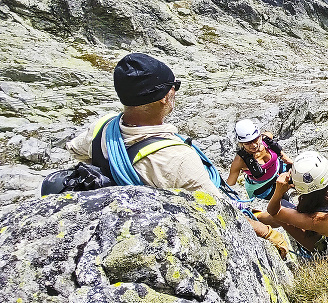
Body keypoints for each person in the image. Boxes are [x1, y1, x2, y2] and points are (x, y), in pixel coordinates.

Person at [65, 53, 290, 258]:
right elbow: (222, 209)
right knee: (270, 217)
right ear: (165, 97)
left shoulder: (102, 127)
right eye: (175, 86)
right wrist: (269, 234)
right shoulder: (177, 158)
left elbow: (75, 149)